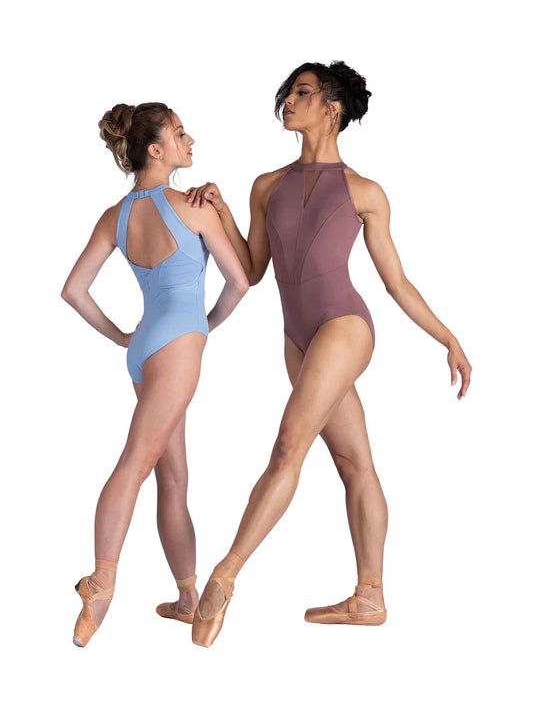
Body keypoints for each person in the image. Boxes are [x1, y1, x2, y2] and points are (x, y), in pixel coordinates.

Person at [184, 61, 472, 647]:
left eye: (302, 92)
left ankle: (223, 579)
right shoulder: (266, 185)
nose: (288, 101)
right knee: (353, 462)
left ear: (332, 108)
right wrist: (220, 211)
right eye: (288, 93)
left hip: (345, 326)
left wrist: (448, 337)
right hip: (297, 338)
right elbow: (254, 270)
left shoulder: (365, 192)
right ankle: (370, 597)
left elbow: (396, 282)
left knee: (288, 445)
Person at [61, 102, 249, 647]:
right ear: (156, 150)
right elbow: (241, 280)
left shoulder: (115, 216)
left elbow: (74, 290)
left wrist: (124, 336)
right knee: (137, 463)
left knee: (174, 476)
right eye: (181, 133)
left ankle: (187, 599)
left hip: (144, 348)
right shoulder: (191, 208)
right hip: (178, 346)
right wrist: (203, 325)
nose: (191, 141)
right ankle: (100, 583)